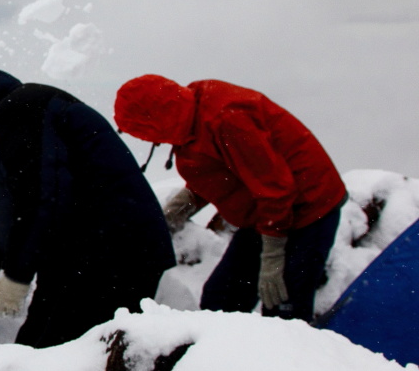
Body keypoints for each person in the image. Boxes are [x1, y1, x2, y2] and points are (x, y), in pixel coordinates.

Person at [0, 62, 175, 348]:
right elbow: (25, 206)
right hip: (99, 249)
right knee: (53, 353)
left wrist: (17, 275)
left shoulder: (18, 112)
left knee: (53, 356)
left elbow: (40, 199)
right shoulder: (22, 112)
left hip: (108, 252)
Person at [114, 75, 346, 322]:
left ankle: (294, 355)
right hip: (264, 213)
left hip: (308, 207)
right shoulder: (189, 116)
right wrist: (175, 212)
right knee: (222, 300)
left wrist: (272, 258)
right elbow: (220, 172)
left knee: (282, 308)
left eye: (143, 132)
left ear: (158, 120)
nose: (147, 141)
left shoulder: (227, 119)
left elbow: (274, 186)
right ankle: (225, 358)